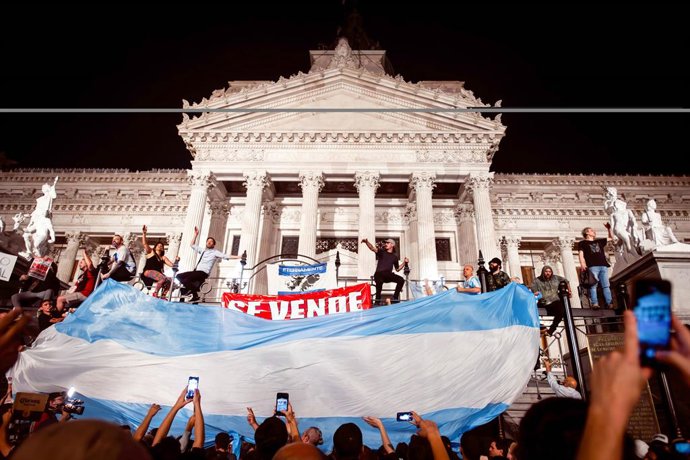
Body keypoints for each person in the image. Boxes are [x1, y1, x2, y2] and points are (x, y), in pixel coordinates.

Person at [176, 226, 239, 303]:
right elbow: (192, 245)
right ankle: (190, 292)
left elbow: (226, 256)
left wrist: (239, 257)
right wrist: (196, 234)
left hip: (203, 272)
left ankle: (194, 294)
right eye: (208, 241)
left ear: (213, 244)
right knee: (178, 276)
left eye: (211, 242)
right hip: (197, 271)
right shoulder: (203, 251)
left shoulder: (215, 252)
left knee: (186, 280)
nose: (209, 242)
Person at [361, 238, 409, 305]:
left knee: (401, 280)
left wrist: (404, 262)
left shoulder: (394, 257)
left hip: (388, 274)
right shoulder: (381, 252)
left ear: (392, 245)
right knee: (379, 282)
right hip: (379, 274)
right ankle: (377, 301)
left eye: (387, 243)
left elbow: (397, 269)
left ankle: (395, 298)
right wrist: (367, 242)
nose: (386, 244)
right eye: (385, 243)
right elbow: (372, 248)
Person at [578, 225, 614, 309]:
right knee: (593, 285)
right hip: (592, 266)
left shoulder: (599, 242)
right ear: (587, 232)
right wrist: (582, 264)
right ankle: (595, 303)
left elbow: (611, 238)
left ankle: (609, 302)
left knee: (606, 285)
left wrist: (609, 229)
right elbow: (581, 254)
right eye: (591, 230)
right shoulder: (582, 243)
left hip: (603, 265)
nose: (594, 232)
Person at [530, 265, 570, 337]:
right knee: (532, 311)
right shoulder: (537, 280)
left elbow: (566, 281)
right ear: (543, 272)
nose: (548, 273)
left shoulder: (556, 278)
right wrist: (536, 293)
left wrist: (569, 291)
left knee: (561, 312)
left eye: (549, 272)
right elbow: (533, 288)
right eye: (546, 271)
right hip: (543, 301)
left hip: (554, 301)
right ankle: (541, 327)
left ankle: (551, 330)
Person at [141, 225, 179, 298]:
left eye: (161, 246)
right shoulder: (151, 252)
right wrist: (144, 233)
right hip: (148, 271)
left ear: (163, 249)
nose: (160, 246)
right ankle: (155, 293)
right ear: (155, 247)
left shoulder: (163, 258)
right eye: (158, 245)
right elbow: (145, 244)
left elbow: (172, 265)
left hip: (159, 274)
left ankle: (163, 295)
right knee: (163, 278)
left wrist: (177, 261)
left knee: (171, 281)